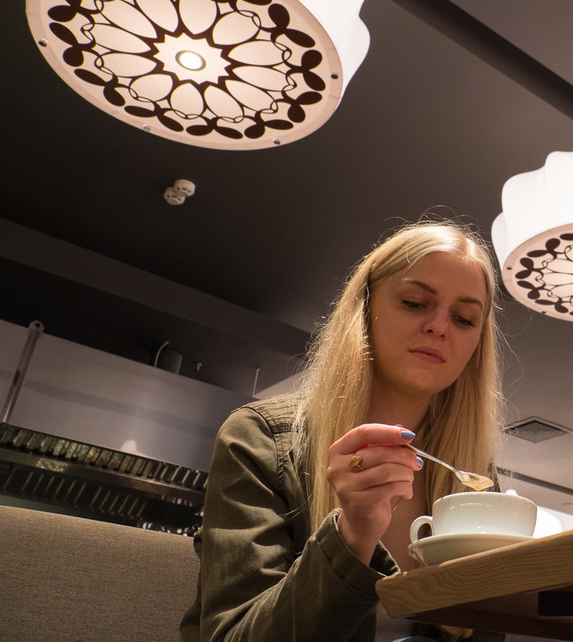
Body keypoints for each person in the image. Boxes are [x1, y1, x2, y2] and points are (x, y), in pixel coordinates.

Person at [179, 220, 506, 641]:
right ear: (364, 309)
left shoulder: (475, 476)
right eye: (414, 302)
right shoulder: (260, 441)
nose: (440, 326)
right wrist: (352, 534)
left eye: (463, 318)